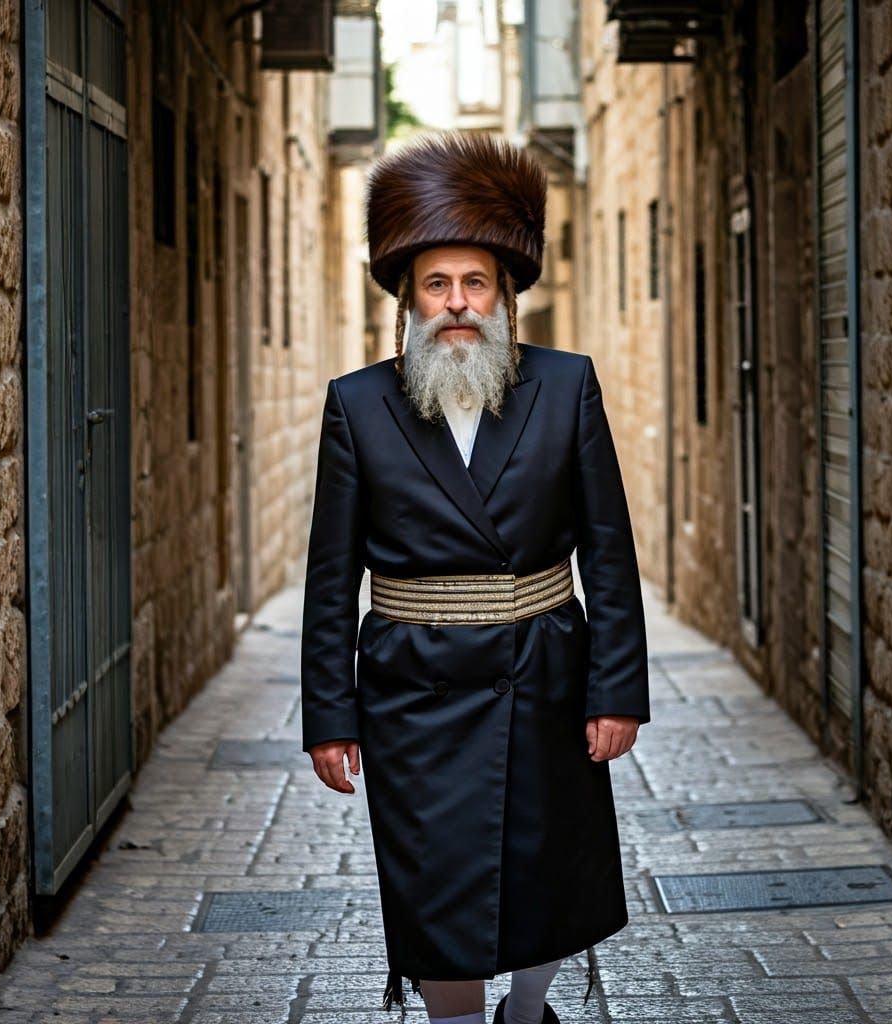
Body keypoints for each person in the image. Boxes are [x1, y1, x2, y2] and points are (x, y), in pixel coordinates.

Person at [300, 131, 650, 1024]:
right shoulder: (359, 403)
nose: (457, 303)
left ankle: (526, 1015)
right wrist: (329, 716)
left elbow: (608, 548)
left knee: (548, 872)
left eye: (475, 283)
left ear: (503, 297)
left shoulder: (567, 388)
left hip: (544, 677)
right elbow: (331, 574)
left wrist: (618, 692)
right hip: (412, 691)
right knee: (435, 884)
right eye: (437, 285)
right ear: (409, 302)